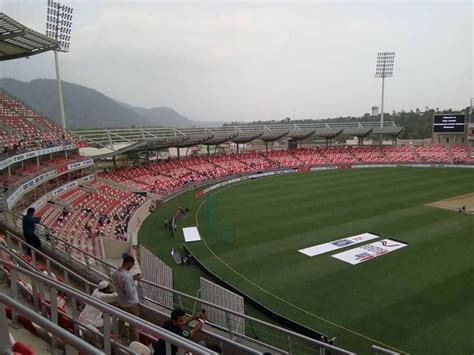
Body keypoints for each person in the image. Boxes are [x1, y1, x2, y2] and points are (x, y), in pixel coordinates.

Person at [111, 255, 141, 344]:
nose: (131, 267)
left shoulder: (116, 273)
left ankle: (115, 337)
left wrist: (133, 278)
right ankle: (135, 346)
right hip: (131, 304)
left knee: (121, 321)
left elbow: (124, 280)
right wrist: (136, 281)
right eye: (131, 265)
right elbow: (130, 292)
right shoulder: (126, 277)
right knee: (134, 326)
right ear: (128, 264)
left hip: (122, 302)